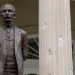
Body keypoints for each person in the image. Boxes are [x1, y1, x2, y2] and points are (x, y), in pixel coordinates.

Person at [0, 3, 28, 75]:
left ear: (14, 15)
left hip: (16, 71)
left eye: (9, 11)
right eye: (4, 11)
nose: (7, 13)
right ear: (0, 15)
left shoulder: (23, 34)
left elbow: (25, 55)